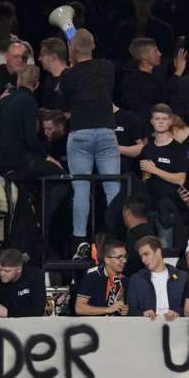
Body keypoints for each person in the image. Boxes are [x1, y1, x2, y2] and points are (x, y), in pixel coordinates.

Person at [59, 29, 120, 258]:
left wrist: (71, 56)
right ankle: (116, 234)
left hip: (81, 134)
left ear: (72, 49)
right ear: (93, 44)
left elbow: (64, 103)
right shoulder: (107, 66)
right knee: (112, 186)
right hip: (105, 132)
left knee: (82, 187)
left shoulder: (68, 75)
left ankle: (79, 240)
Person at [139, 104, 187, 245]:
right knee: (147, 249)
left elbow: (181, 179)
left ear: (170, 121)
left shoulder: (178, 149)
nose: (160, 122)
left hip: (169, 208)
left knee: (165, 251)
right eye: (157, 118)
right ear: (151, 121)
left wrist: (155, 170)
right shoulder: (147, 149)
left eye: (164, 119)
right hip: (148, 207)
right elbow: (145, 177)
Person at [128, 235, 187, 320]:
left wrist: (178, 313)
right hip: (147, 328)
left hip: (177, 327)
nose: (143, 260)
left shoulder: (182, 277)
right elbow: (131, 310)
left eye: (146, 254)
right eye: (141, 256)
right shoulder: (136, 279)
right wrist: (143, 314)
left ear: (158, 252)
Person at [74, 238, 130, 316]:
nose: (124, 261)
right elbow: (79, 308)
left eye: (125, 256)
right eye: (119, 257)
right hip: (93, 326)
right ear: (107, 260)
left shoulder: (125, 280)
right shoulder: (92, 276)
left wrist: (125, 311)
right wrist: (107, 309)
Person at [0, 249, 46, 317]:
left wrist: (8, 313)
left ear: (19, 269)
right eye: (0, 269)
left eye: (7, 271)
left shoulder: (35, 277)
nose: (2, 274)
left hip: (29, 324)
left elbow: (38, 310)